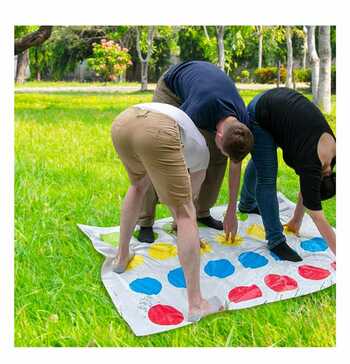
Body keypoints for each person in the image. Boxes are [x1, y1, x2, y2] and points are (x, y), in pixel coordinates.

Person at [111, 102, 223, 321]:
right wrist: (183, 226)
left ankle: (121, 257)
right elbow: (189, 202)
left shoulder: (191, 139)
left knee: (137, 186)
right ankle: (197, 304)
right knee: (185, 213)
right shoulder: (203, 156)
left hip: (123, 123)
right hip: (157, 129)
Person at [137, 60, 254, 243]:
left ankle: (201, 212)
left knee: (216, 159)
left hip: (204, 94)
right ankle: (145, 221)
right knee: (160, 154)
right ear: (220, 135)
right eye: (223, 147)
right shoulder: (197, 110)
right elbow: (176, 157)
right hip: (171, 89)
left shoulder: (241, 122)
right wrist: (181, 219)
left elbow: (235, 164)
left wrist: (232, 209)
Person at [238, 87, 336, 262]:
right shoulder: (311, 164)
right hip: (260, 113)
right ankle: (275, 240)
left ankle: (246, 203)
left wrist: (296, 222)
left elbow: (306, 190)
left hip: (277, 107)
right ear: (319, 176)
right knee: (267, 178)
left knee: (262, 158)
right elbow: (317, 216)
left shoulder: (332, 155)